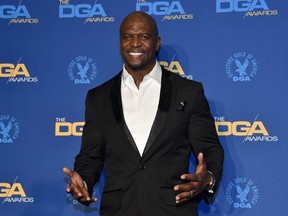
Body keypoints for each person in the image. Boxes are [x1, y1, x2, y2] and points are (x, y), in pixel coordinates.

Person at [63, 11, 224, 216]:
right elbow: (90, 156)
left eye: (144, 37)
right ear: (120, 42)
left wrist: (207, 178)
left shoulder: (187, 92)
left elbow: (210, 149)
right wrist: (83, 181)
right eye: (127, 36)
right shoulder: (98, 97)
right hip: (119, 210)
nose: (135, 43)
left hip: (173, 209)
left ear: (157, 43)